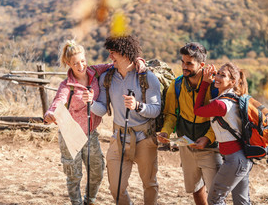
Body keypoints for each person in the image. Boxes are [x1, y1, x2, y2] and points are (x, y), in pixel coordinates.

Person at [43, 39, 145, 205]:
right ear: (68, 63)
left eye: (83, 61)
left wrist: (137, 60)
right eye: (75, 63)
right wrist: (50, 114)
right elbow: (58, 102)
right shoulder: (66, 85)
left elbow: (115, 63)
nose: (81, 66)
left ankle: (89, 201)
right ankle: (76, 203)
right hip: (70, 134)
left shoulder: (95, 72)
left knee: (97, 171)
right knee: (74, 174)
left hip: (91, 133)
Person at [84, 35, 161, 205]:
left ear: (125, 54)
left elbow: (155, 110)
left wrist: (138, 106)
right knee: (115, 188)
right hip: (118, 139)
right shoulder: (107, 78)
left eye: (113, 53)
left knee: (149, 184)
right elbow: (102, 109)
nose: (110, 57)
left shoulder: (147, 78)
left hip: (145, 139)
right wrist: (91, 103)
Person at [158, 42, 222, 205]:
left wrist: (207, 138)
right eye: (182, 62)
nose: (184, 67)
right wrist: (166, 131)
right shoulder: (177, 84)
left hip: (211, 147)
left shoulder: (214, 87)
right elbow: (171, 114)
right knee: (195, 188)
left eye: (189, 63)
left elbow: (220, 119)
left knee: (216, 192)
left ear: (202, 65)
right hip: (186, 146)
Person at [194, 62, 253, 205]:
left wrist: (204, 84)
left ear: (232, 82)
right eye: (217, 73)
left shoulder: (221, 105)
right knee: (242, 202)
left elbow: (197, 111)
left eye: (223, 75)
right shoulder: (235, 98)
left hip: (234, 160)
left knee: (214, 199)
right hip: (243, 159)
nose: (218, 77)